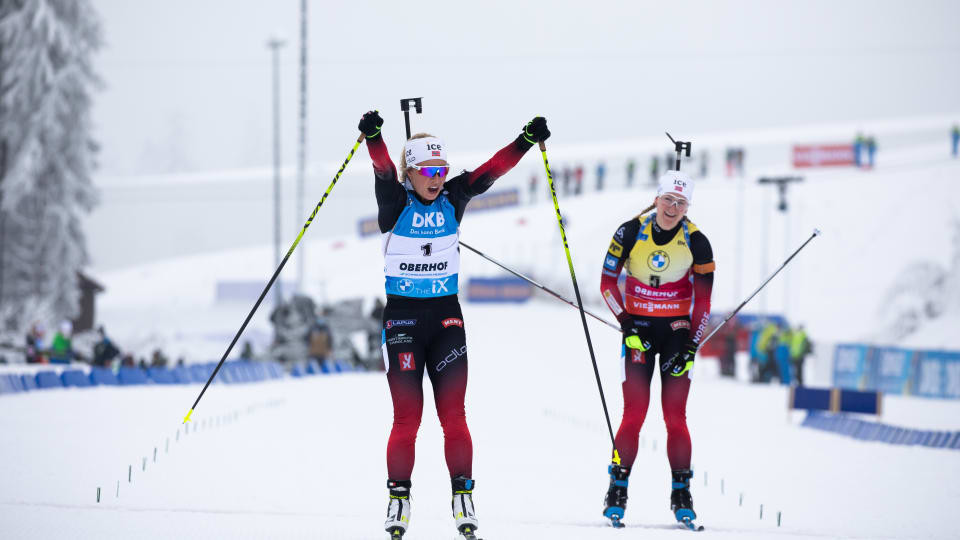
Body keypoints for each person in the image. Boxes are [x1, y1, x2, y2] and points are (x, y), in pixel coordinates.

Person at [357, 109, 550, 539]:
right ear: (412, 172)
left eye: (441, 169)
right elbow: (383, 167)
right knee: (407, 419)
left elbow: (490, 171)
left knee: (454, 416)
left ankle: (463, 494)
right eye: (427, 169)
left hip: (446, 320)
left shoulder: (453, 198)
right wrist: (375, 136)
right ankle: (399, 499)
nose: (436, 177)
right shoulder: (394, 202)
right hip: (402, 319)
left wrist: (524, 140)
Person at [598, 169, 714, 527]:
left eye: (681, 203)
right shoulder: (630, 231)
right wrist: (627, 325)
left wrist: (692, 346)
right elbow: (606, 284)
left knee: (675, 417)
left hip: (678, 333)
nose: (673, 208)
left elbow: (705, 302)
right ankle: (617, 487)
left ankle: (682, 492)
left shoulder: (698, 242)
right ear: (656, 198)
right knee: (634, 413)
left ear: (687, 207)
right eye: (668, 200)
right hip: (638, 332)